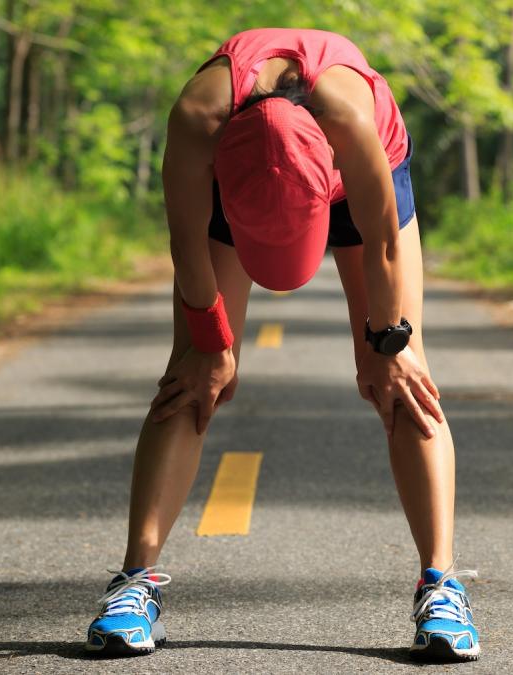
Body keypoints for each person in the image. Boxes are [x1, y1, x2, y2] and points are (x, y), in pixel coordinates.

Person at [82, 28, 480, 662]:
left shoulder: (352, 118)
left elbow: (380, 246)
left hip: (355, 183)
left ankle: (442, 585)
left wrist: (387, 340)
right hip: (235, 176)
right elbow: (189, 251)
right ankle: (133, 583)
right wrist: (212, 346)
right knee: (189, 376)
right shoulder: (197, 117)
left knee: (403, 375)